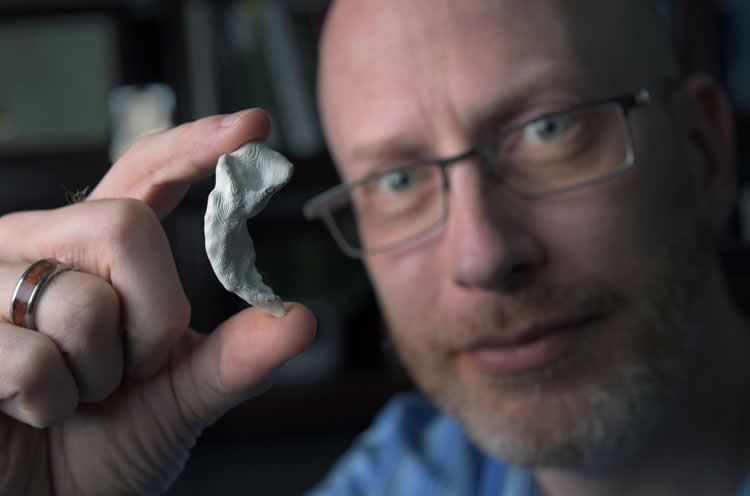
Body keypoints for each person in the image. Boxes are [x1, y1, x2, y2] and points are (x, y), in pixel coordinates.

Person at [0, 0, 747, 495]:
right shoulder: (400, 477)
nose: (481, 256)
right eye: (396, 179)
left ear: (704, 151)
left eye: (548, 130)